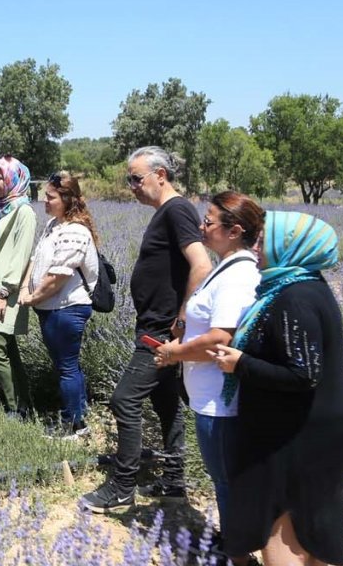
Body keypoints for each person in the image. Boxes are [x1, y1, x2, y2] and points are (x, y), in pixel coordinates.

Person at [210, 211, 343, 566]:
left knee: (287, 521)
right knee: (313, 524)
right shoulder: (306, 286)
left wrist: (240, 363)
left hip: (296, 437)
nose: (255, 248)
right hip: (312, 428)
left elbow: (303, 374)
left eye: (263, 240)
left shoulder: (294, 298)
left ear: (290, 246)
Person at [82, 146, 212, 513]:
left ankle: (122, 486)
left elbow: (201, 265)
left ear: (161, 175)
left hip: (161, 330)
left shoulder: (177, 210)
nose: (132, 186)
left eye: (137, 179)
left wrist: (181, 321)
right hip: (154, 324)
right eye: (129, 179)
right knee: (166, 404)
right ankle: (174, 481)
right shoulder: (166, 213)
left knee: (124, 399)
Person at [152, 191, 264, 531]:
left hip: (220, 402)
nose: (201, 227)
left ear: (234, 231)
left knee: (227, 480)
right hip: (210, 397)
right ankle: (234, 543)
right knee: (224, 479)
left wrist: (174, 353)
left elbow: (219, 340)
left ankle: (235, 548)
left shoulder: (237, 277)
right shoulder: (226, 268)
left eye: (209, 221)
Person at [18, 171, 99, 440]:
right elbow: (35, 260)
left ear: (67, 199)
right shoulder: (54, 225)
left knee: (67, 367)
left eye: (51, 197)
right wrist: (25, 288)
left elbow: (58, 276)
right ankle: (78, 416)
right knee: (67, 365)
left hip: (67, 308)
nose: (45, 201)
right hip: (52, 307)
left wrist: (33, 298)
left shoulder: (75, 230)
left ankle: (73, 426)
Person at [0, 156, 38, 418]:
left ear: (14, 178)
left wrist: (4, 293)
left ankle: (15, 407)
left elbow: (21, 255)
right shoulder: (3, 209)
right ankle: (25, 404)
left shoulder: (24, 212)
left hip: (5, 294)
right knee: (9, 352)